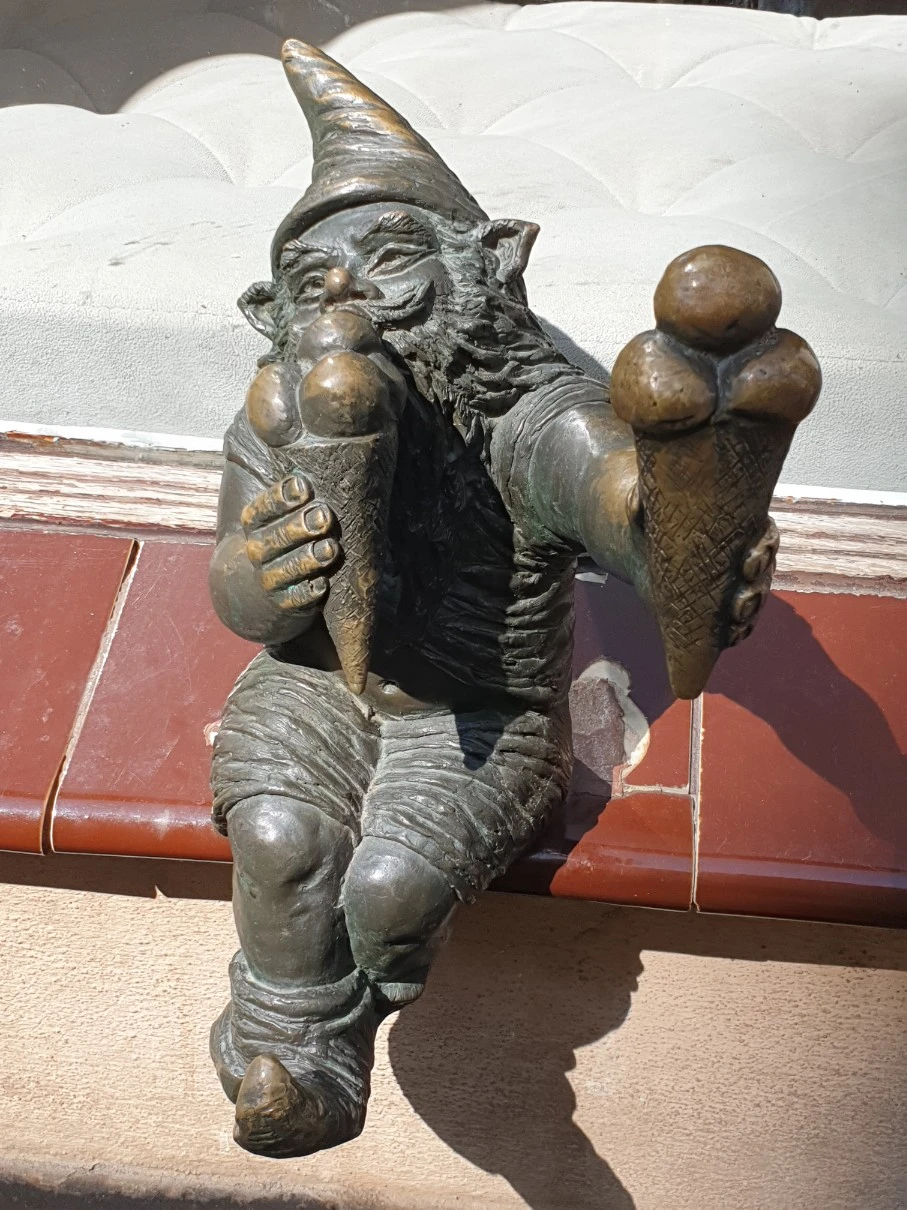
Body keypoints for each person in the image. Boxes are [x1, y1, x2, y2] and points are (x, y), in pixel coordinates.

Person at [208, 39, 792, 1157]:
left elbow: (614, 501)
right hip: (312, 687)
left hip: (479, 708)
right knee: (279, 838)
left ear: (491, 265)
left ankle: (345, 1013)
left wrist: (688, 511)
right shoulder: (276, 416)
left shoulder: (526, 411)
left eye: (389, 261)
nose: (345, 301)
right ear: (266, 312)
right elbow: (236, 592)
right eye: (310, 283)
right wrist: (261, 575)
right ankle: (289, 1053)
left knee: (389, 890)